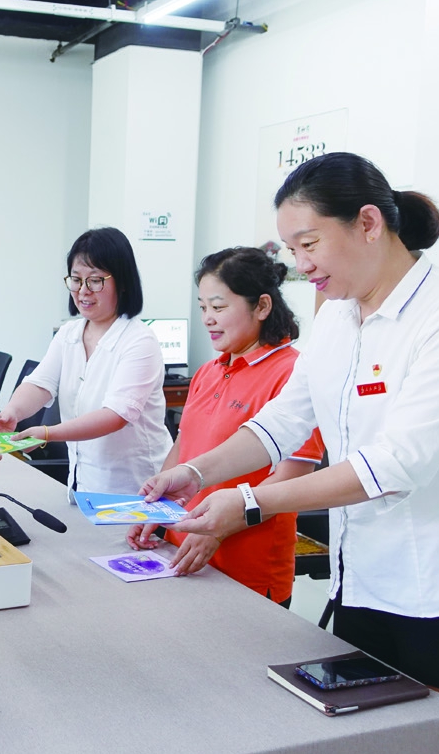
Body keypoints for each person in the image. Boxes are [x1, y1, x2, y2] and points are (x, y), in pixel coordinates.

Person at [140, 152, 439, 747]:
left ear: (369, 223)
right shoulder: (337, 319)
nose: (300, 266)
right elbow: (280, 423)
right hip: (364, 582)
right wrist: (196, 472)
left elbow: (396, 464)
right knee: (362, 753)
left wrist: (250, 503)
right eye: (290, 249)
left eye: (309, 244)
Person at [125, 247, 324, 607]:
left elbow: (292, 476)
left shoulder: (292, 373)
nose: (208, 319)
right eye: (203, 307)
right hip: (180, 551)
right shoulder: (208, 371)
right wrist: (154, 511)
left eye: (218, 307)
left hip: (247, 565)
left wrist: (219, 530)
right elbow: (184, 448)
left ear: (262, 306)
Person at [0, 226, 170, 495]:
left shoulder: (139, 341)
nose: (83, 291)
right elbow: (40, 384)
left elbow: (115, 416)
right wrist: (12, 411)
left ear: (122, 282)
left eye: (95, 281)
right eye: (76, 280)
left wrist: (48, 433)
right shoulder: (69, 334)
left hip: (135, 487)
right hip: (83, 482)